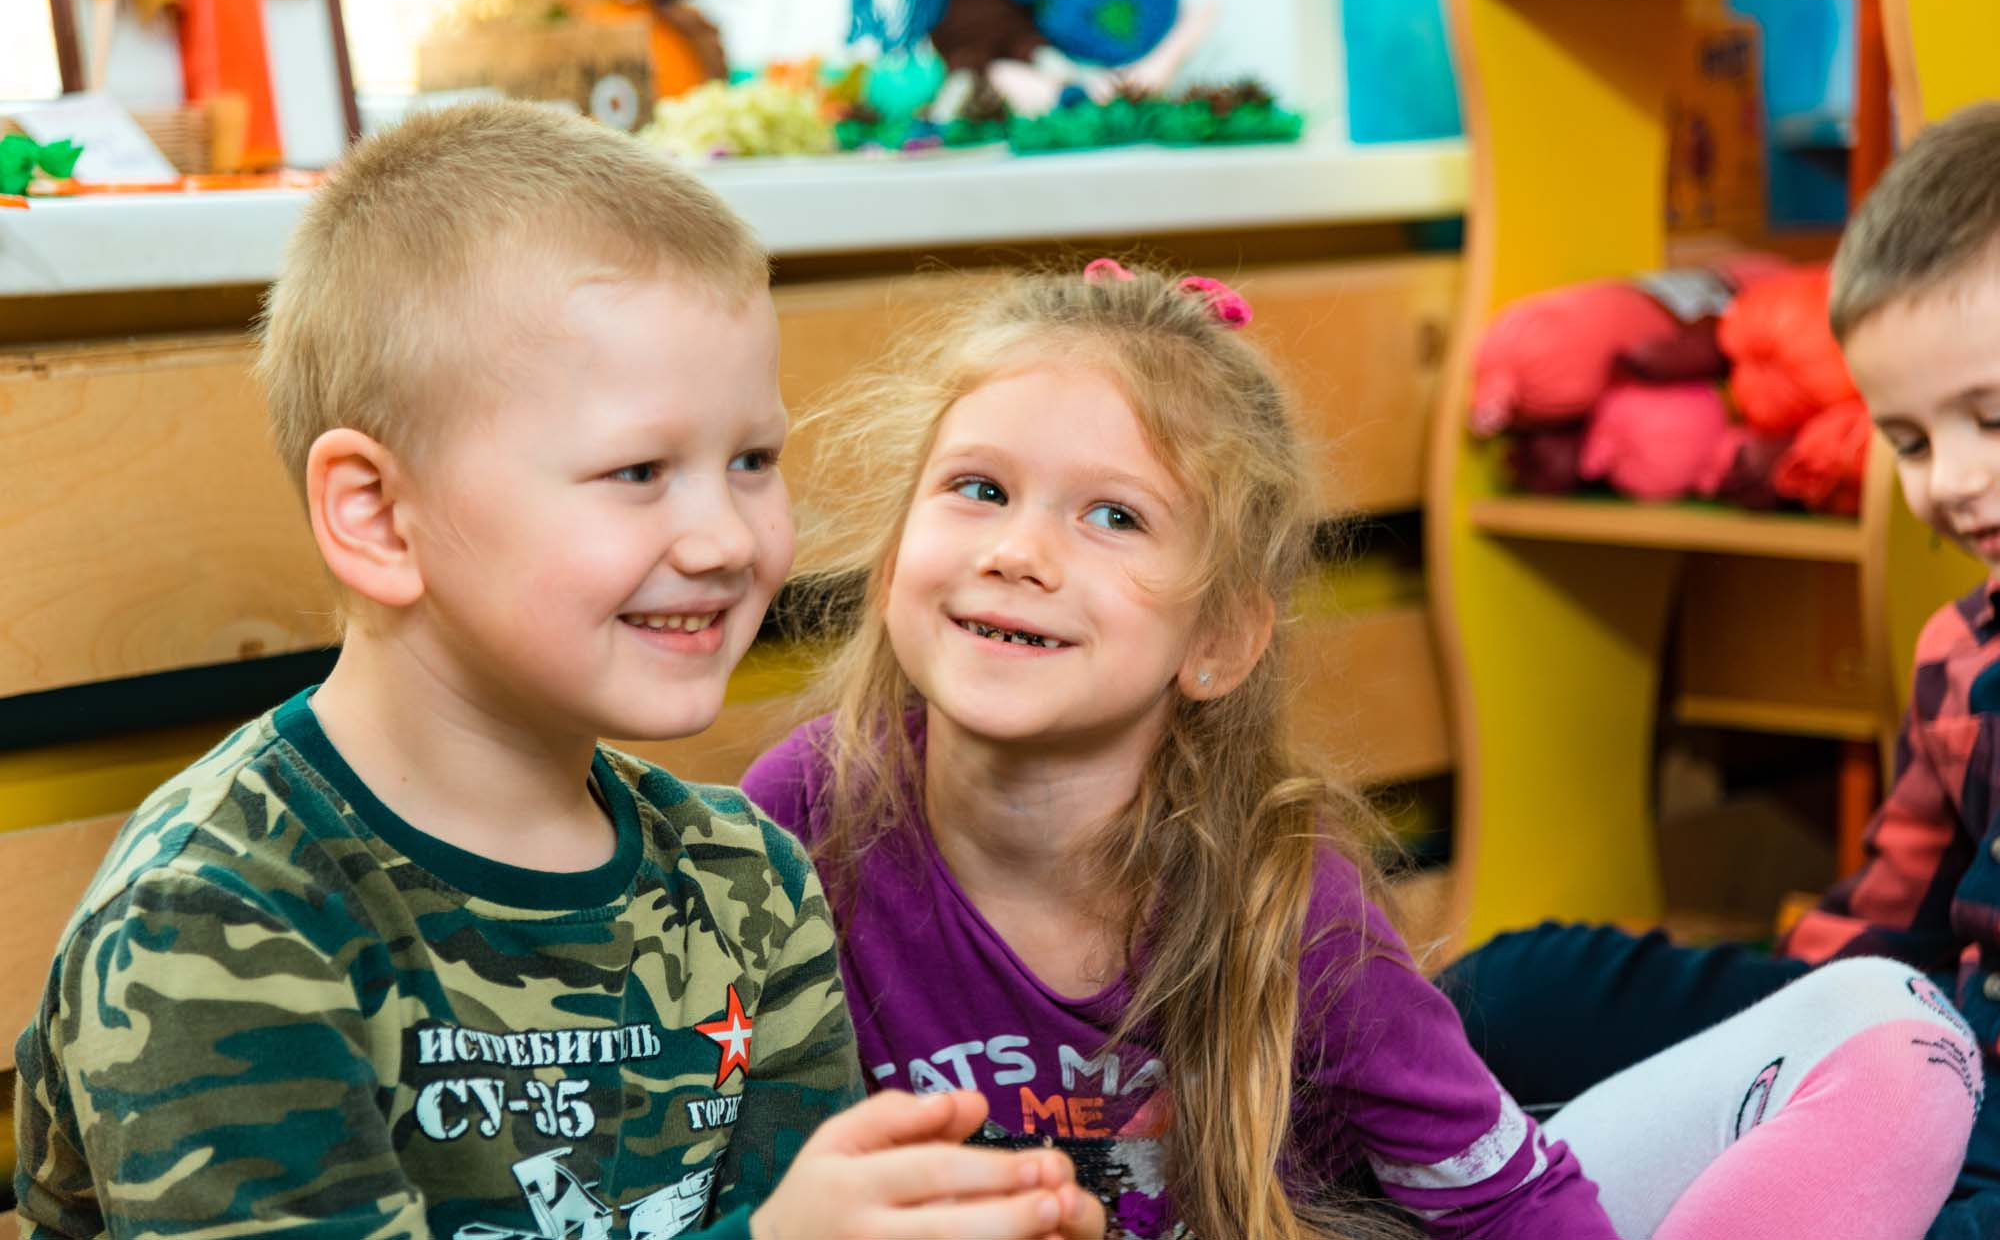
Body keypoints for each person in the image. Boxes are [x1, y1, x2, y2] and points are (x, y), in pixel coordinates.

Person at [13, 101, 1102, 1240]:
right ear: (380, 516)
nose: (725, 539)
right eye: (637, 469)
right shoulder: (222, 915)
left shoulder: (749, 888)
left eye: (751, 460)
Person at [741, 259, 1981, 1239]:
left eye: (1112, 515)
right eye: (975, 489)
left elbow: (1506, 1203)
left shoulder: (1287, 893)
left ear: (1217, 641)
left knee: (1900, 1026)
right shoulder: (795, 819)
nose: (1019, 550)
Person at [1441, 101, 2000, 1240]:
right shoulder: (1958, 652)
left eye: (1988, 418)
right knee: (1517, 988)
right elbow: (1880, 934)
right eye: (1906, 439)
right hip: (1936, 1046)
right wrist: (1766, 1057)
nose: (1947, 480)